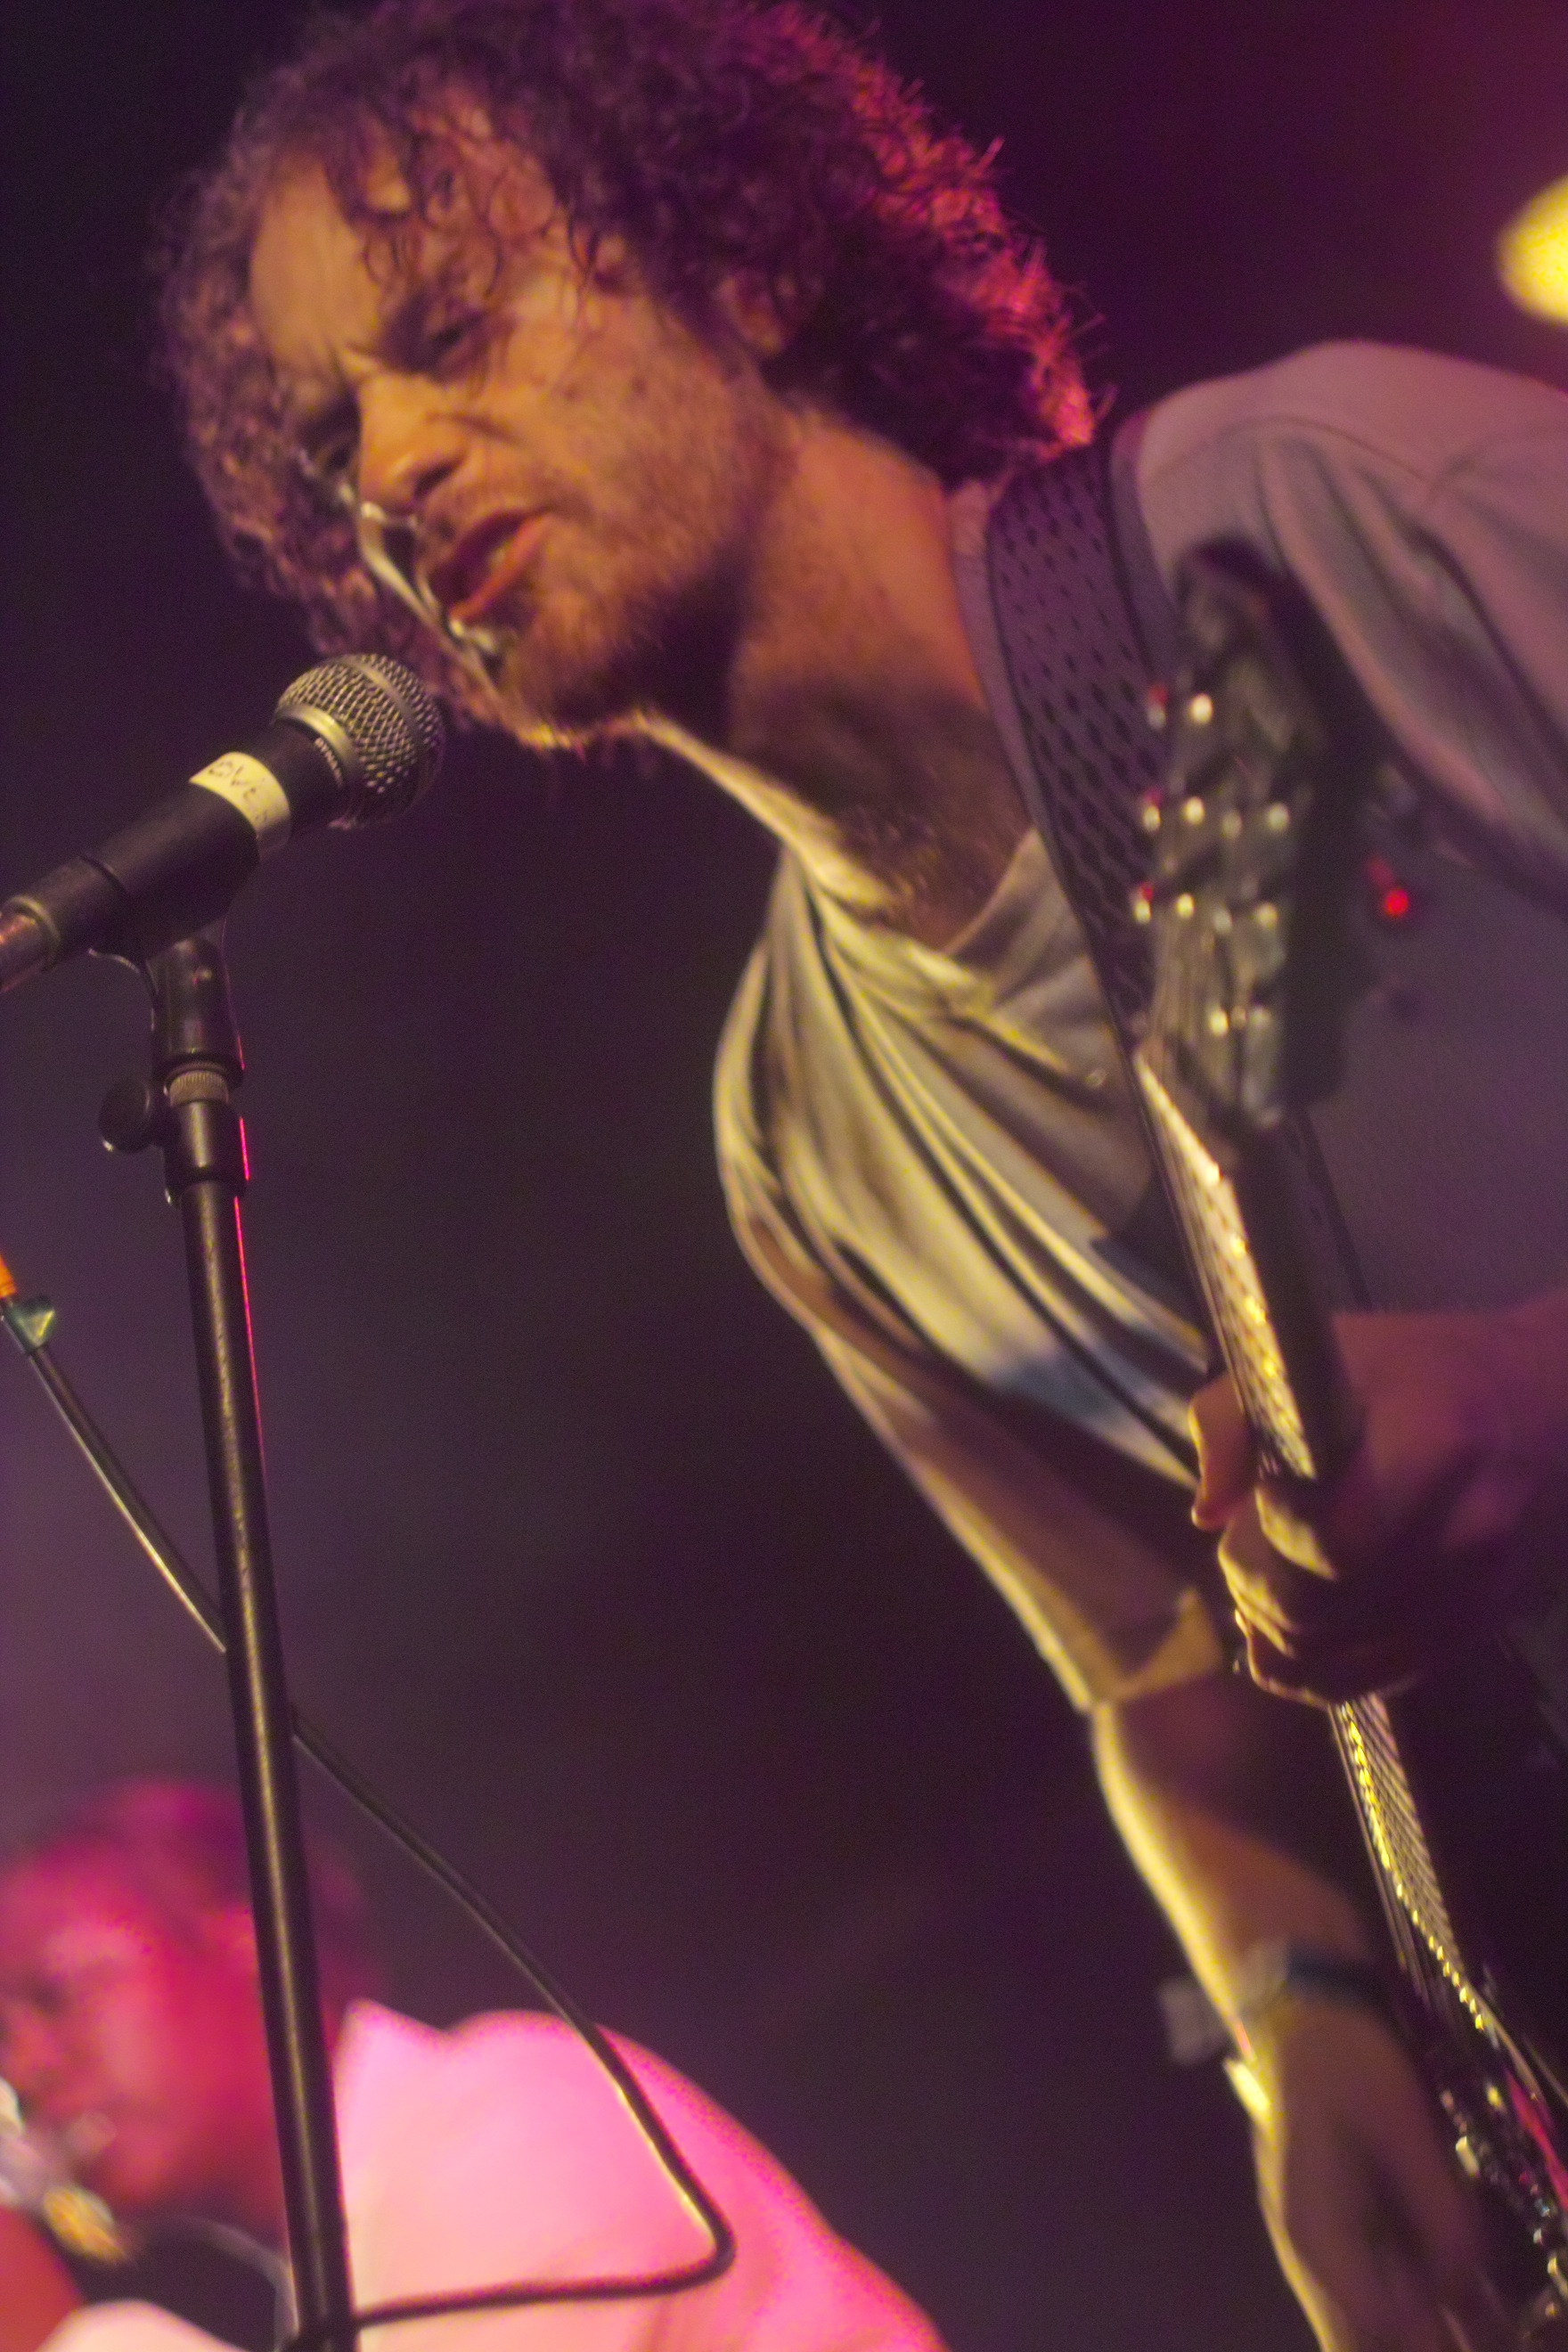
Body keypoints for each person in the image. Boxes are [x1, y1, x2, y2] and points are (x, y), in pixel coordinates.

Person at [145, 1, 1568, 2343]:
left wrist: (1525, 1388)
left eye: (451, 330)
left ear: (750, 259)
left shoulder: (1325, 514)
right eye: (336, 434)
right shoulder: (800, 1138)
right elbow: (1158, 1657)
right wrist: (1301, 2010)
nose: (392, 467)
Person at [0, 1779, 948, 2352]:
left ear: (247, 1941)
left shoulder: (512, 2116)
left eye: (54, 1996)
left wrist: (54, 2338)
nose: (26, 2073)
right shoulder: (349, 2276)